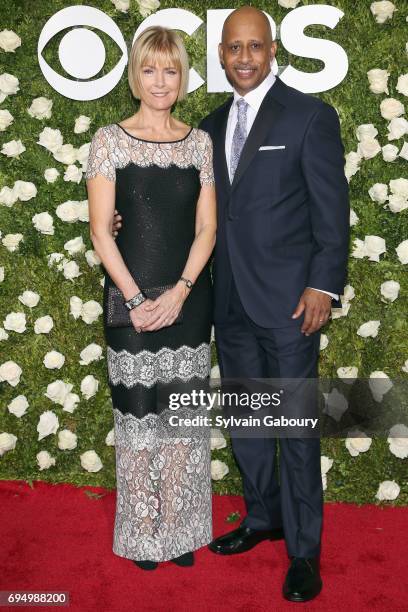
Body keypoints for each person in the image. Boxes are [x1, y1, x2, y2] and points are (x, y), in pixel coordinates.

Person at [111, 5, 350, 601]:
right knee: (246, 420)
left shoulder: (309, 116)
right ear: (221, 56)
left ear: (272, 51)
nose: (244, 58)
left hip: (294, 303)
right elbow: (183, 205)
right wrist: (119, 218)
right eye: (233, 48)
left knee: (292, 425)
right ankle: (263, 517)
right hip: (228, 304)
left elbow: (331, 210)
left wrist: (323, 285)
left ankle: (303, 551)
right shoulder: (208, 128)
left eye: (254, 47)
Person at [85, 25, 217, 571]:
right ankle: (143, 534)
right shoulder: (108, 140)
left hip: (188, 302)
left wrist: (181, 292)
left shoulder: (200, 143)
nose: (160, 81)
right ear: (135, 75)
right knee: (138, 421)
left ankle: (183, 531)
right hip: (129, 305)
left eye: (170, 70)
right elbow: (100, 231)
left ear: (182, 78)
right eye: (149, 69)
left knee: (182, 424)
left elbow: (206, 229)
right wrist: (138, 299)